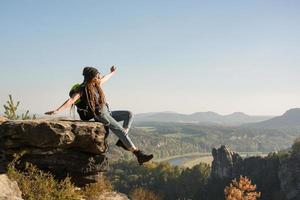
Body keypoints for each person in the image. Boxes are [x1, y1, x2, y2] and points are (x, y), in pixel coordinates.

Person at [45, 66, 153, 165]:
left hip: (107, 112)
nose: (99, 77)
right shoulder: (83, 89)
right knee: (120, 130)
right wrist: (57, 110)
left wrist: (112, 72)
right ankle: (138, 154)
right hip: (100, 115)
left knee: (129, 114)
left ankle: (122, 141)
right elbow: (72, 100)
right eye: (97, 75)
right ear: (92, 77)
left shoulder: (96, 84)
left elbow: (105, 77)